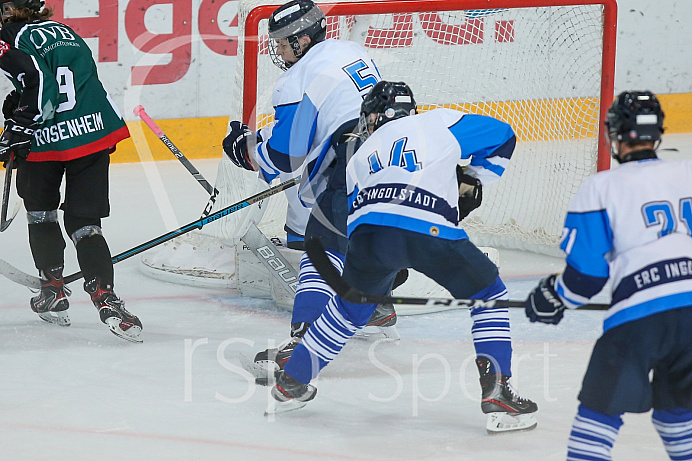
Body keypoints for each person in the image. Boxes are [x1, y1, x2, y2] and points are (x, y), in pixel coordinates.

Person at [268, 80, 538, 432]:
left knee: (348, 309)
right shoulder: (436, 122)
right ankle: (498, 388)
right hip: (428, 227)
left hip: (368, 237)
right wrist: (474, 178)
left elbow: (357, 215)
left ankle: (291, 382)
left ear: (373, 117)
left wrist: (381, 267)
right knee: (489, 293)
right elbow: (503, 135)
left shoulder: (359, 156)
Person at [223, 0, 400, 377]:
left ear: (302, 40)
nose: (279, 51)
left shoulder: (295, 78)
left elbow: (287, 156)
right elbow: (331, 114)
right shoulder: (348, 50)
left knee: (317, 242)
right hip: (397, 153)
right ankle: (377, 301)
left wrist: (245, 148)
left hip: (349, 160)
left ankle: (302, 345)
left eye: (283, 43)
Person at [526, 91, 692, 460]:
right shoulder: (688, 172)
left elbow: (587, 277)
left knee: (598, 416)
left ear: (614, 134)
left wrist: (553, 297)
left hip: (640, 319)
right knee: (678, 413)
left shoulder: (602, 186)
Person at [0, 0, 142, 342]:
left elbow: (36, 79)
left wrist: (20, 125)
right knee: (86, 225)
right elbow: (77, 81)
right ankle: (105, 296)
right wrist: (17, 103)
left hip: (44, 140)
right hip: (92, 132)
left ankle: (53, 287)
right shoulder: (65, 32)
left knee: (41, 214)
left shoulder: (9, 35)